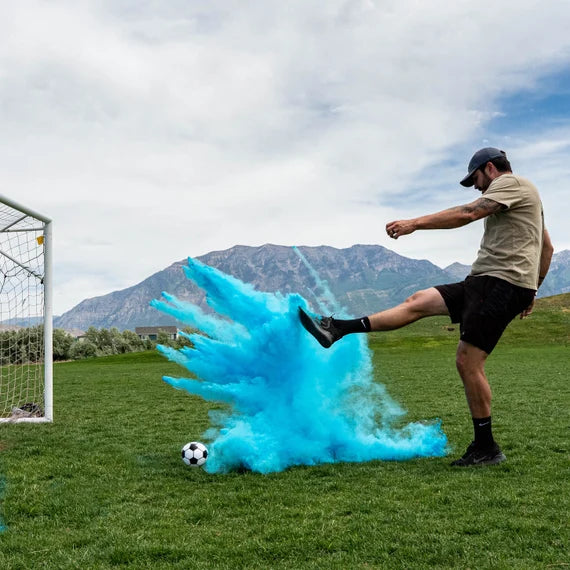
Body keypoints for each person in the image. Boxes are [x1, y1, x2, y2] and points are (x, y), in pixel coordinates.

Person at [299, 147, 554, 467]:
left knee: (468, 361)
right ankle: (336, 329)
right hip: (484, 282)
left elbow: (469, 213)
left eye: (475, 179)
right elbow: (547, 247)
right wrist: (532, 290)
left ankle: (486, 447)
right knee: (417, 301)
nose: (476, 187)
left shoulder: (512, 184)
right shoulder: (528, 200)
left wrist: (414, 224)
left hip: (500, 283)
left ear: (489, 169)